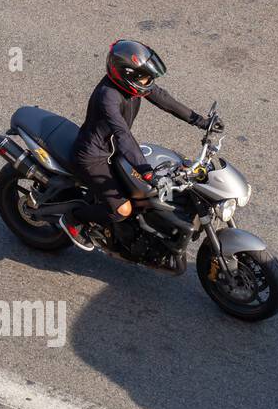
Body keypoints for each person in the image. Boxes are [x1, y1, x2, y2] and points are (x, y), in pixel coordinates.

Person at [61, 39, 213, 251]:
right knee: (123, 209)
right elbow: (123, 135)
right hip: (94, 156)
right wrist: (146, 171)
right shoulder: (108, 97)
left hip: (115, 150)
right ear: (126, 75)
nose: (149, 82)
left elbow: (164, 99)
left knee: (145, 193)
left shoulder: (135, 87)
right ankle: (74, 219)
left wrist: (200, 121)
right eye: (144, 77)